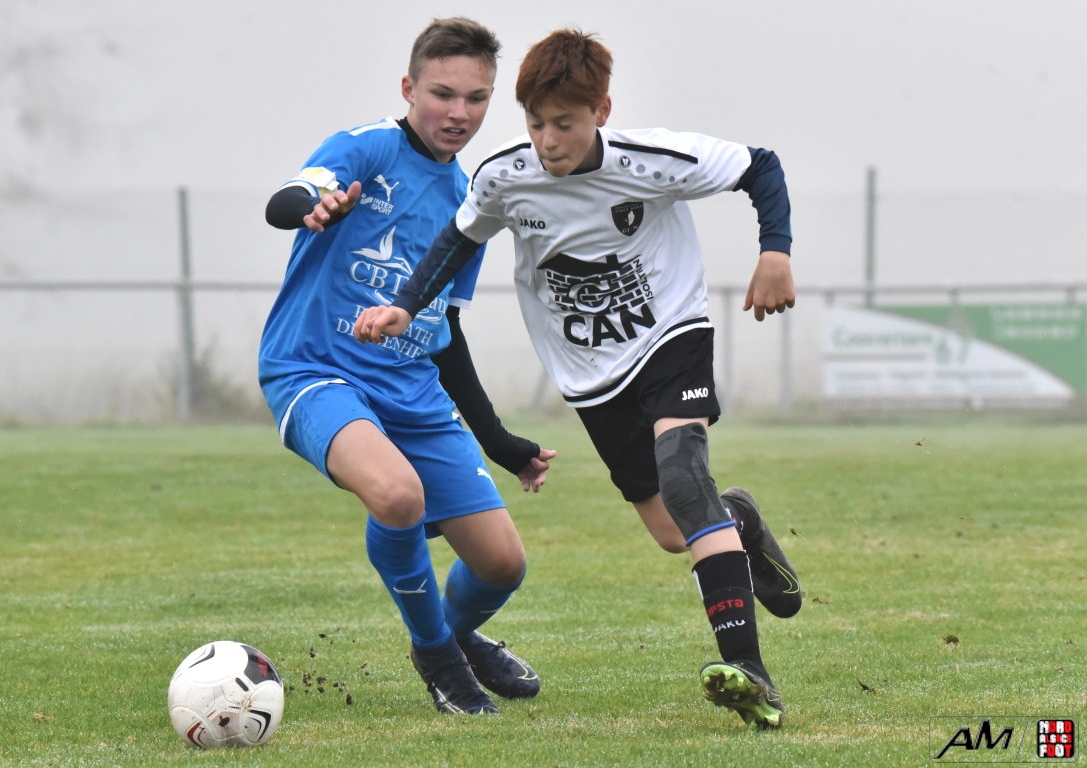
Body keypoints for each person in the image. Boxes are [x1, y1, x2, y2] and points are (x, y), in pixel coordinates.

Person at [354, 29, 801, 729]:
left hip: (671, 335)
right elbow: (457, 240)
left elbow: (761, 166)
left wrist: (775, 252)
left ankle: (750, 670)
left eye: (565, 123)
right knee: (673, 530)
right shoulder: (504, 176)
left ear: (602, 111)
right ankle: (736, 518)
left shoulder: (652, 160)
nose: (548, 140)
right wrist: (406, 306)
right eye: (536, 123)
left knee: (684, 477)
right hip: (592, 376)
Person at [259, 17, 556, 716]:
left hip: (413, 391)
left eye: (476, 98)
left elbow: (445, 330)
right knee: (397, 496)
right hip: (315, 372)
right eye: (443, 93)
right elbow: (285, 202)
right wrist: (315, 206)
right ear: (408, 88)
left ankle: (456, 635)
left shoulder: (470, 201)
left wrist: (498, 439)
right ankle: (438, 657)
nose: (459, 113)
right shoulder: (366, 148)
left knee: (502, 565)